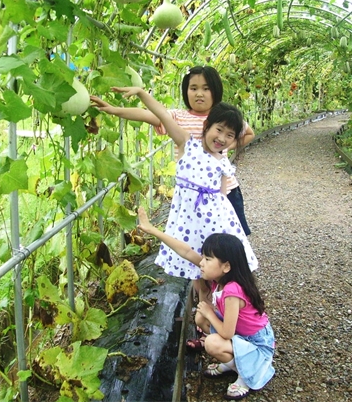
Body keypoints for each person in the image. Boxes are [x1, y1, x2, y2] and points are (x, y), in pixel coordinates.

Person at [100, 86, 258, 292]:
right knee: (196, 268)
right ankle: (205, 305)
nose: (222, 138)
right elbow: (162, 115)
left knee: (221, 268)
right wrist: (140, 93)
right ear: (207, 126)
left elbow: (222, 195)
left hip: (215, 222)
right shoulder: (187, 143)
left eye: (230, 135)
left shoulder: (223, 162)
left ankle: (228, 303)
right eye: (219, 130)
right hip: (189, 220)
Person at [90, 66, 254, 236]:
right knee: (199, 239)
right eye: (193, 88)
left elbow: (249, 134)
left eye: (206, 89)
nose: (199, 94)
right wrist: (114, 109)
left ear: (216, 90)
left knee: (234, 237)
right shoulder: (178, 117)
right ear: (186, 91)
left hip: (225, 191)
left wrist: (224, 149)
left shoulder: (224, 117)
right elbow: (145, 114)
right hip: (192, 194)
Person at [137, 207, 275, 401]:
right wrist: (152, 230)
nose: (201, 263)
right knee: (200, 317)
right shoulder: (219, 278)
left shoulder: (232, 291)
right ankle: (236, 361)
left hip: (257, 344)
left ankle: (247, 374)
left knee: (211, 342)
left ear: (226, 266)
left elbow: (227, 333)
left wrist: (210, 313)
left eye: (208, 259)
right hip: (242, 336)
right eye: (203, 257)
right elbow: (185, 251)